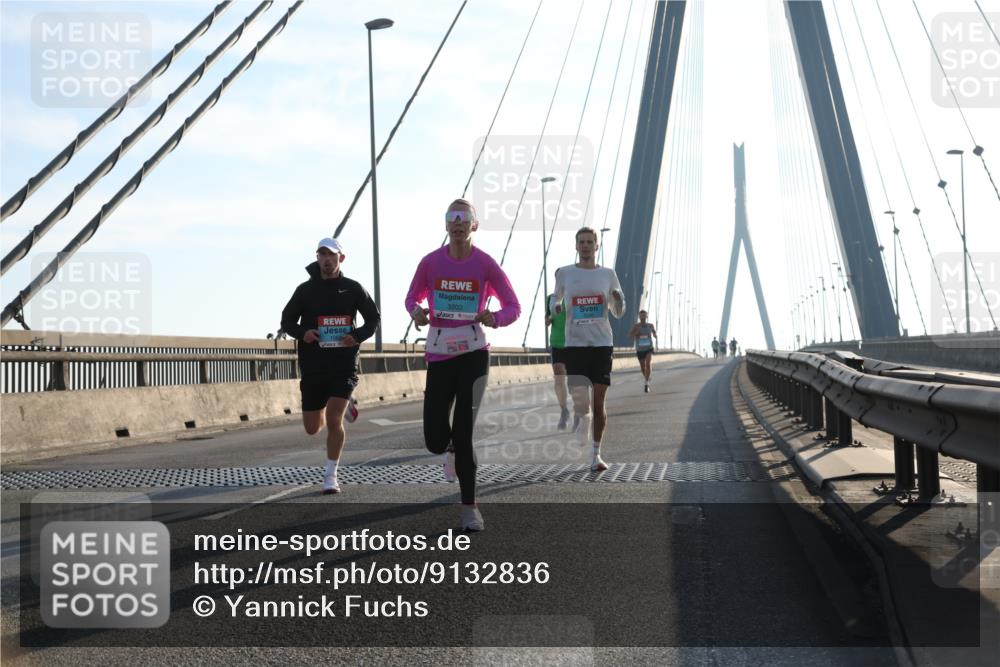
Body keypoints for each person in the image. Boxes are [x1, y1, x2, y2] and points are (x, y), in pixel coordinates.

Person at [405, 198, 520, 532]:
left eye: (464, 217)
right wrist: (417, 312)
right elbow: (412, 298)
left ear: (474, 225)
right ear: (445, 226)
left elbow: (514, 305)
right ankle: (449, 447)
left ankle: (470, 508)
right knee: (434, 440)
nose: (457, 223)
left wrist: (494, 317)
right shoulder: (430, 263)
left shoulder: (485, 265)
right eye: (451, 217)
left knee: (465, 429)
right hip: (440, 353)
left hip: (473, 353)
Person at [281, 238, 380, 495]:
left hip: (343, 365)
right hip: (313, 365)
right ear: (317, 259)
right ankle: (342, 403)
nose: (327, 260)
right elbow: (287, 320)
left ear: (341, 259)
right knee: (312, 428)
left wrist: (356, 336)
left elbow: (373, 319)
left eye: (332, 255)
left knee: (334, 419)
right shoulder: (305, 290)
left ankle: (330, 475)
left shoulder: (353, 288)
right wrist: (304, 333)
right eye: (322, 255)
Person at [550, 227, 626, 472]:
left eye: (590, 242)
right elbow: (555, 299)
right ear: (576, 246)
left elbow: (618, 311)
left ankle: (596, 454)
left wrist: (617, 298)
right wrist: (556, 309)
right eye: (581, 242)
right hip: (575, 345)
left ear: (597, 246)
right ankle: (583, 418)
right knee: (582, 401)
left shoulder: (608, 274)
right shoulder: (565, 273)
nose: (585, 246)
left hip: (602, 343)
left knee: (599, 399)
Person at [545, 293, 570, 429]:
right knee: (559, 381)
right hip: (557, 343)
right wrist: (548, 320)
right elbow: (547, 316)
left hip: (574, 343)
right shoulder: (550, 299)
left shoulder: (573, 295)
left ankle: (580, 413)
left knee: (575, 383)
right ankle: (564, 410)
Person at [628, 310, 657, 392]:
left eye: (644, 315)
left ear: (646, 316)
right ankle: (647, 377)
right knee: (642, 367)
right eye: (641, 316)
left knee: (648, 364)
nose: (643, 317)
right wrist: (636, 333)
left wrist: (655, 335)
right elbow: (630, 335)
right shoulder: (636, 326)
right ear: (639, 317)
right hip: (640, 349)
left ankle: (646, 383)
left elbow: (654, 332)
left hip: (649, 348)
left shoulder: (650, 325)